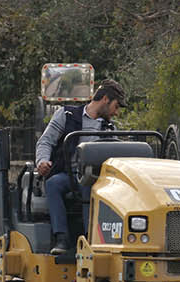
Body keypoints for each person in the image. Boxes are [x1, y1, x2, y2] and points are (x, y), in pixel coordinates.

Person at [35, 80, 125, 260]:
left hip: (95, 179)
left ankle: (90, 239)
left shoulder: (109, 128)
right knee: (53, 184)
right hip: (68, 174)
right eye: (116, 106)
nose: (116, 112)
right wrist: (42, 160)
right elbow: (46, 141)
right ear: (105, 99)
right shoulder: (66, 115)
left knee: (88, 186)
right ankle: (61, 239)